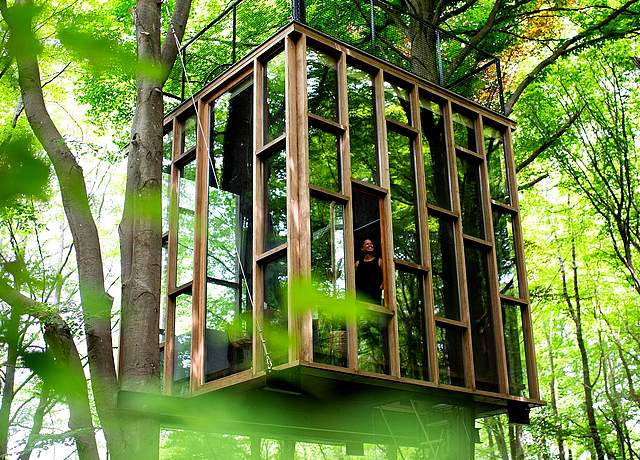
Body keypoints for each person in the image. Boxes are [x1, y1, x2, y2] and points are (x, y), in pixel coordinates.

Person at [355, 239, 383, 304]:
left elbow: (386, 276)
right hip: (361, 296)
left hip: (375, 295)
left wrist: (381, 286)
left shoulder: (379, 261)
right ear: (362, 248)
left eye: (371, 243)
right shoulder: (357, 263)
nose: (370, 245)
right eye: (367, 244)